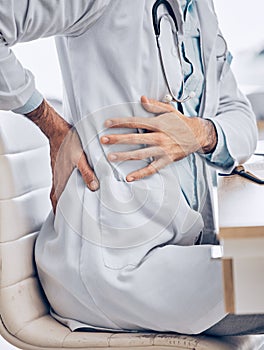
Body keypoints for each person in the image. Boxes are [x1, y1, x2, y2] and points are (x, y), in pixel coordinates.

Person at [0, 0, 263, 336]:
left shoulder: (199, 10)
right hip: (115, 264)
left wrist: (202, 132)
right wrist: (52, 126)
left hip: (188, 250)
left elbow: (239, 118)